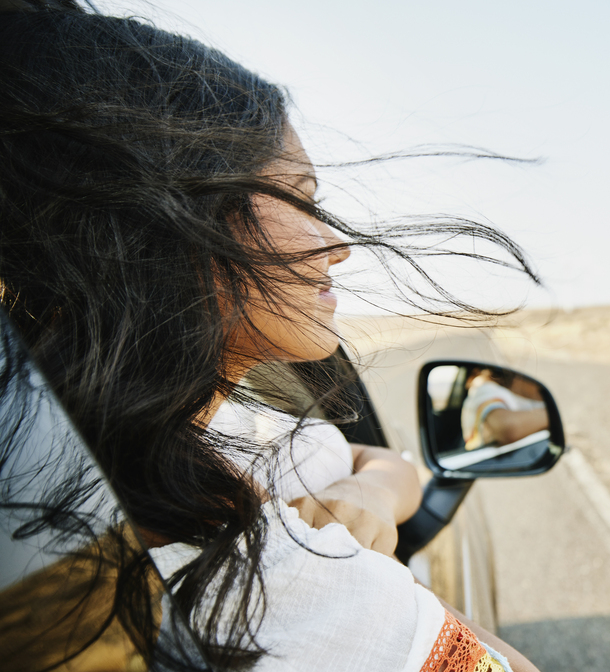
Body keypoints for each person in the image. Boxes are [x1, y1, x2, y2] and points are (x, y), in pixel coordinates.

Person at [0, 3, 540, 671]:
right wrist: (378, 584)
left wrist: (370, 493)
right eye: (299, 196)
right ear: (163, 226)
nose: (337, 245)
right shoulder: (280, 586)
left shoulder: (135, 455)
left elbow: (379, 462)